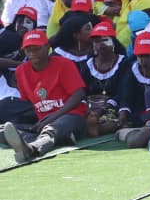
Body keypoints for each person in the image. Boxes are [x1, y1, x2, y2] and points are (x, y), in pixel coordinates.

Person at [2, 29, 87, 164]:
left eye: (36, 48)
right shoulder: (21, 71)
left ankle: (33, 148)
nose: (32, 53)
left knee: (55, 127)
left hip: (72, 116)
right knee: (5, 128)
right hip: (44, 120)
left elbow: (79, 93)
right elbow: (30, 102)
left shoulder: (64, 64)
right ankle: (52, 139)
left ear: (47, 47)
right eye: (28, 49)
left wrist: (53, 116)